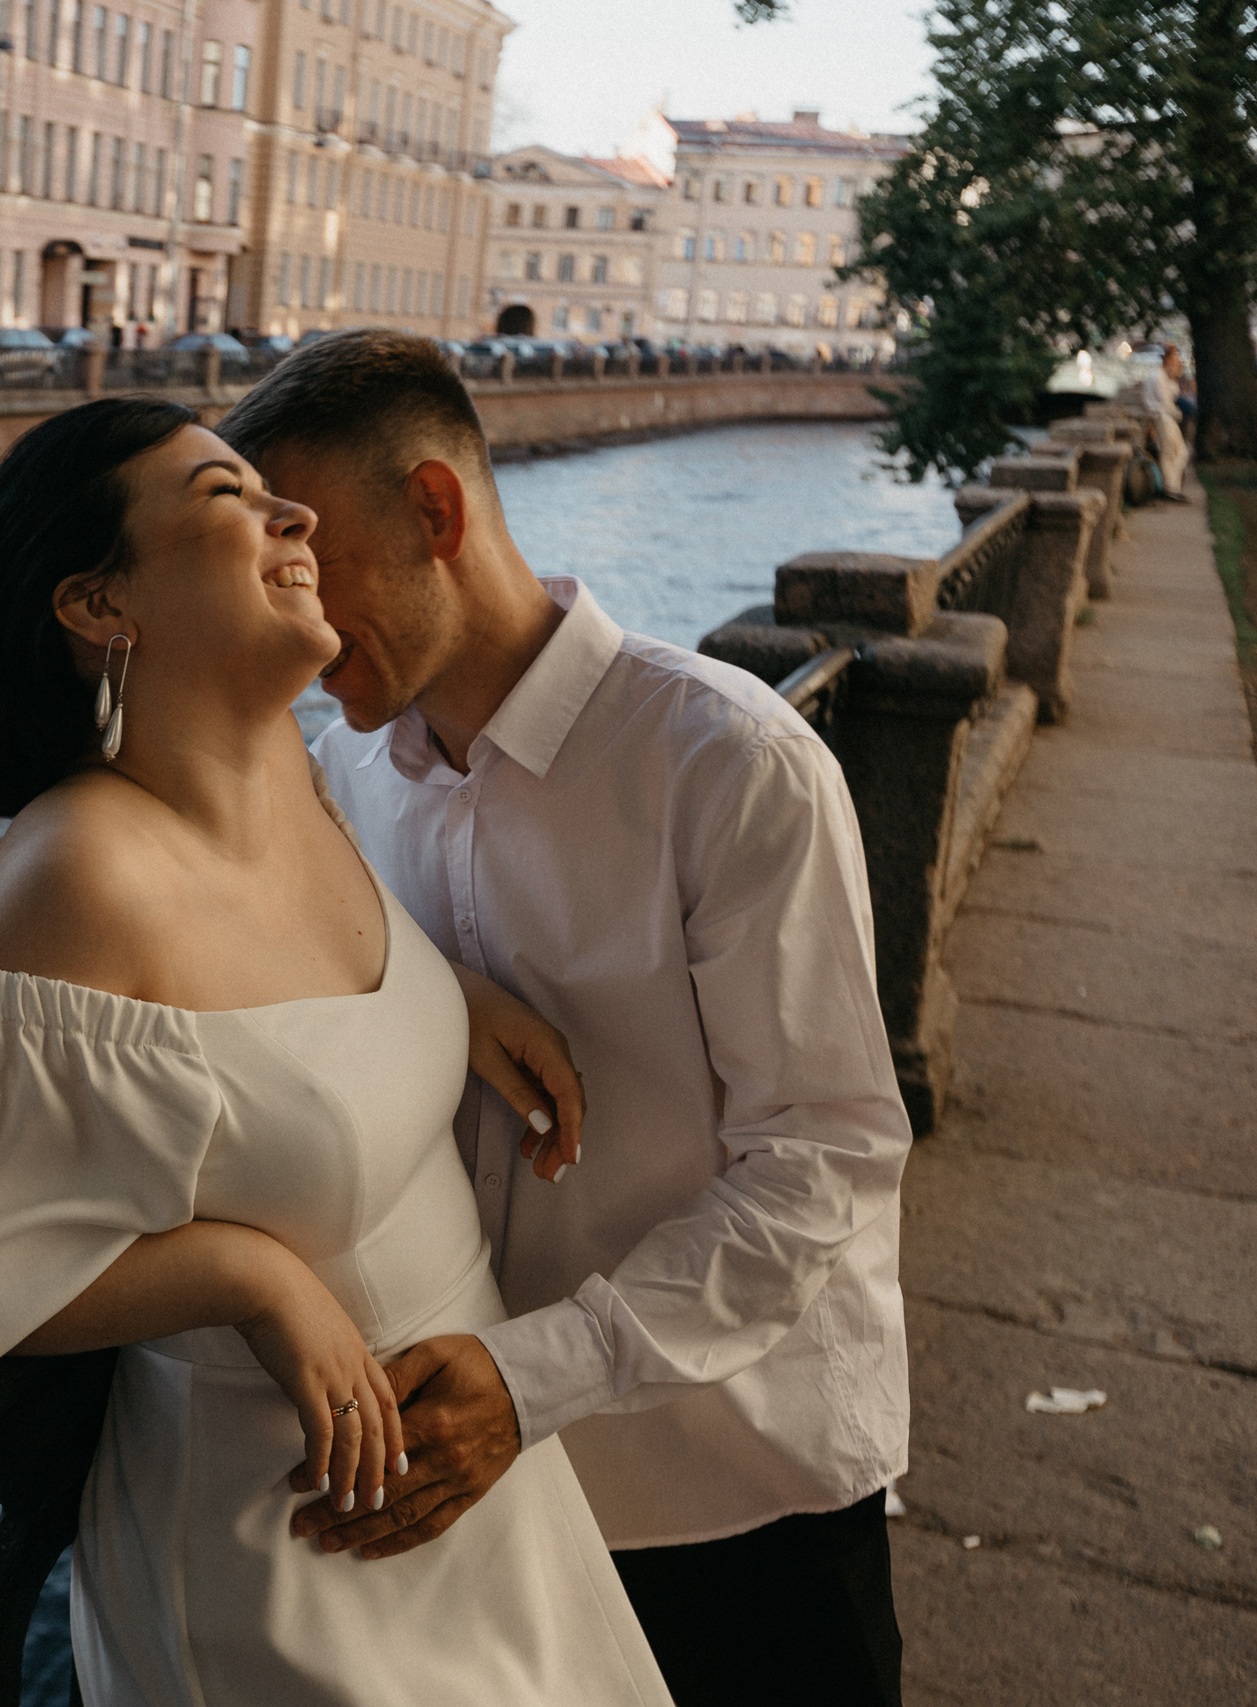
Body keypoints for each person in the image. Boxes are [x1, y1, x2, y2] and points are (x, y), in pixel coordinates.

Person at [0, 396, 671, 1705]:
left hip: (475, 1489)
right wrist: (244, 1274)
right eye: (226, 496)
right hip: (289, 1552)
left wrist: (445, 999)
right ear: (100, 605)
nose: (295, 514)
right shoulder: (78, 879)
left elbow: (277, 1022)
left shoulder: (297, 765)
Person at [215, 331, 912, 1707]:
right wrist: (445, 994)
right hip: (496, 1508)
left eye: (304, 553)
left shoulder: (730, 762)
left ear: (436, 510)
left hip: (737, 1483)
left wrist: (535, 1376)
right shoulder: (346, 775)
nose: (286, 619)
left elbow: (824, 1161)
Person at [1141, 345, 1192, 500]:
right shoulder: (1158, 377)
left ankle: (1172, 486)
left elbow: (1171, 396)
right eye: (1175, 359)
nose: (1178, 363)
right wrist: (1178, 414)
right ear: (1168, 359)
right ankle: (1170, 488)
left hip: (1166, 417)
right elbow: (1165, 403)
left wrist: (1174, 376)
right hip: (1162, 417)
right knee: (1170, 452)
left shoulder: (1164, 377)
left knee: (1180, 452)